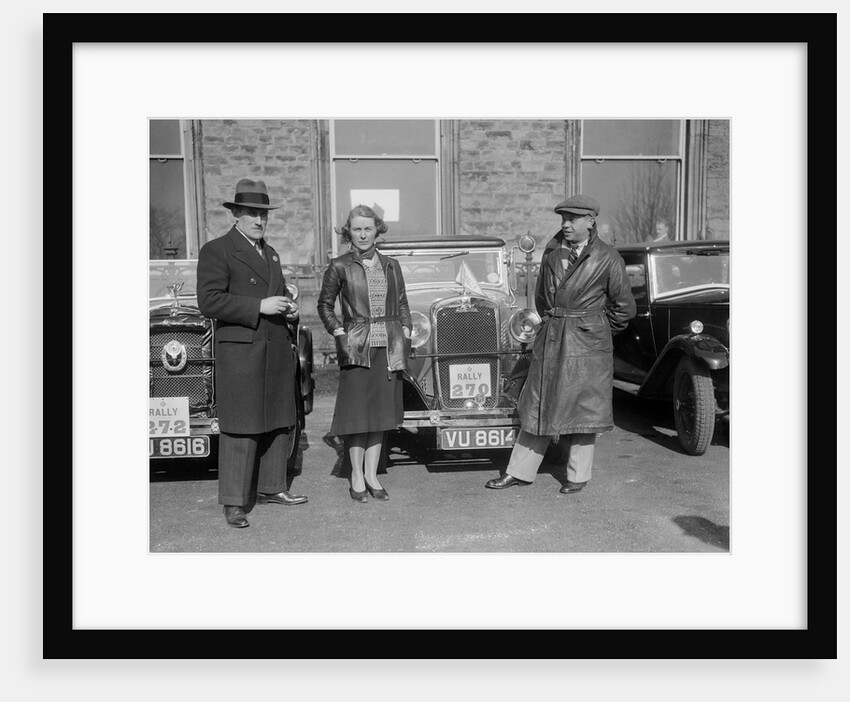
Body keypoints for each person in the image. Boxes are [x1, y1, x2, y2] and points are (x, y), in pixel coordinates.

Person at [485, 194, 636, 495]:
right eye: (563, 219)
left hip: (587, 345)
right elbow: (542, 299)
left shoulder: (608, 258)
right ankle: (519, 471)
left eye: (572, 219)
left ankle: (578, 476)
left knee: (584, 411)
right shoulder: (552, 254)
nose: (565, 224)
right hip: (553, 337)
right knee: (537, 405)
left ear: (590, 222)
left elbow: (624, 308)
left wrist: (596, 333)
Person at [197, 178, 307, 529]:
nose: (260, 221)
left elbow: (277, 299)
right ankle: (234, 502)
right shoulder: (217, 250)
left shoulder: (270, 253)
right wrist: (259, 305)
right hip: (242, 352)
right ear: (236, 216)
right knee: (241, 427)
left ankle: (272, 488)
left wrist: (289, 311)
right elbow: (209, 301)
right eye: (252, 214)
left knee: (277, 420)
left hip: (274, 348)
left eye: (263, 215)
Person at [317, 205, 412, 503]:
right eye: (356, 229)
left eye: (367, 228)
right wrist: (339, 332)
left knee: (380, 416)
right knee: (357, 417)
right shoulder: (339, 265)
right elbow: (324, 305)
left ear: (377, 230)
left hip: (389, 348)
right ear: (349, 231)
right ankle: (356, 475)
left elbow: (402, 303)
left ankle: (372, 475)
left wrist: (406, 331)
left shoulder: (392, 265)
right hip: (358, 347)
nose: (362, 234)